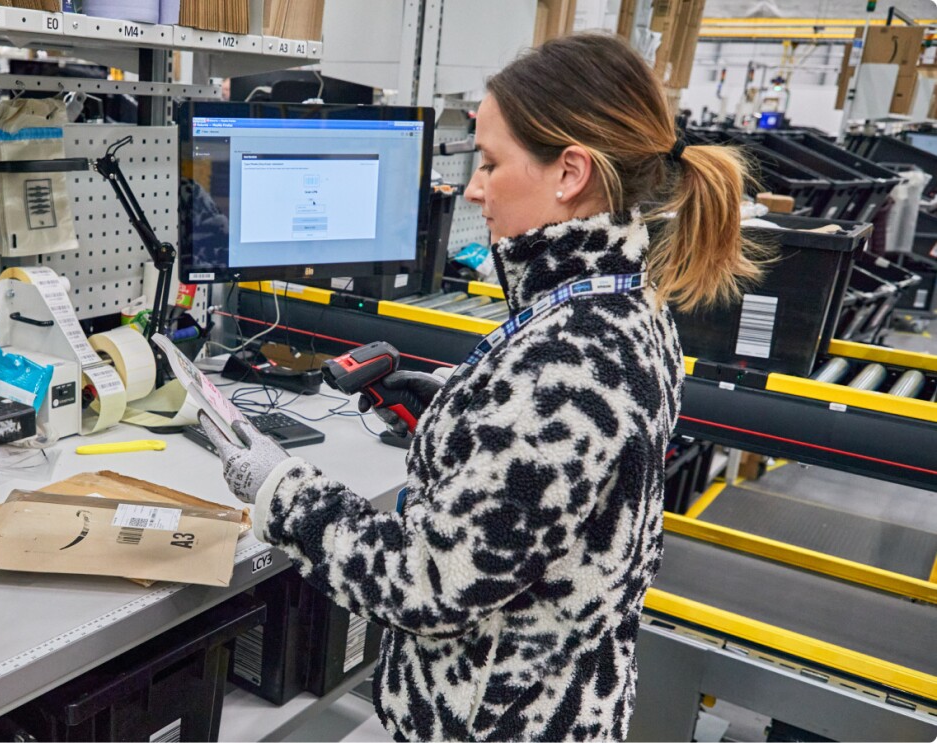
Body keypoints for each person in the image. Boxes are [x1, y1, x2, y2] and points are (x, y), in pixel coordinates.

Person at [200, 33, 762, 741]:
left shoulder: (564, 361)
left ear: (569, 173)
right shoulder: (623, 302)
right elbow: (552, 481)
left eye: (491, 164)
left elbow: (424, 584)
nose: (471, 188)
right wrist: (459, 416)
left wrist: (279, 488)